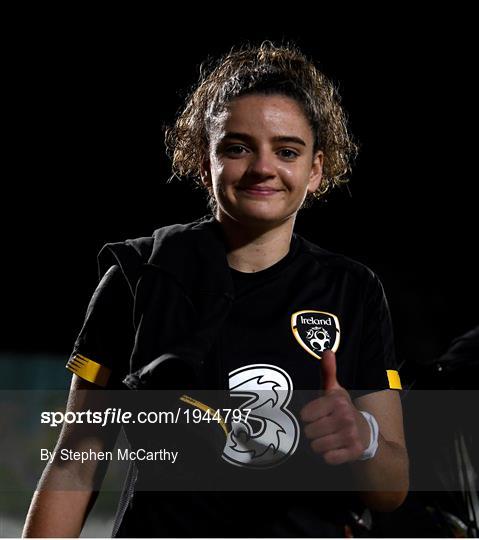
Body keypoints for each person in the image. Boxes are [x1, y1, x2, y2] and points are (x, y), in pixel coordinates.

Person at [23, 41, 409, 537]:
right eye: (237, 147)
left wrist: (365, 440)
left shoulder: (353, 290)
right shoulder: (139, 274)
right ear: (203, 163)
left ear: (315, 171)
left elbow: (392, 488)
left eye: (287, 150)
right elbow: (75, 463)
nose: (263, 167)